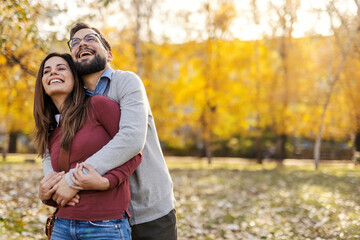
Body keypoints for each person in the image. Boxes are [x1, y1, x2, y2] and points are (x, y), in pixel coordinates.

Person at [42, 22, 177, 240]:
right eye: (74, 43)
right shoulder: (78, 104)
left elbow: (132, 139)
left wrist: (71, 181)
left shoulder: (127, 82)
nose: (82, 43)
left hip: (148, 210)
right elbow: (55, 144)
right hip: (101, 216)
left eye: (91, 38)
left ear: (110, 54)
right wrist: (50, 186)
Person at [34, 52, 142, 239]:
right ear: (42, 84)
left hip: (105, 225)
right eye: (47, 71)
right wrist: (45, 193)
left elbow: (135, 152)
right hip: (62, 225)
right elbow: (55, 181)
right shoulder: (51, 129)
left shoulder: (97, 105)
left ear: (76, 79)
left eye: (61, 69)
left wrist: (107, 182)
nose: (53, 73)